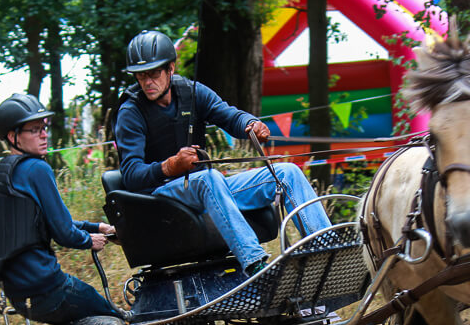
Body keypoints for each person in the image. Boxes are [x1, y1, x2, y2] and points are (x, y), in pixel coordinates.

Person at [114, 30, 332, 276]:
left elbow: (229, 115)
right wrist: (169, 166)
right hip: (160, 199)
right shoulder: (131, 111)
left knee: (287, 172)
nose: (147, 82)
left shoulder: (192, 92)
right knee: (208, 177)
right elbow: (131, 175)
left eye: (153, 73)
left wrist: (250, 124)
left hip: (204, 189)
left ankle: (326, 252)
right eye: (141, 76)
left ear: (170, 68)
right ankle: (256, 266)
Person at [0, 93, 121, 324]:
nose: (44, 135)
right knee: (114, 318)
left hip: (20, 298)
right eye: (34, 130)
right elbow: (64, 233)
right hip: (48, 289)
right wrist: (89, 240)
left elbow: (43, 223)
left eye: (44, 127)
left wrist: (98, 227)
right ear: (12, 136)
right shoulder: (36, 168)